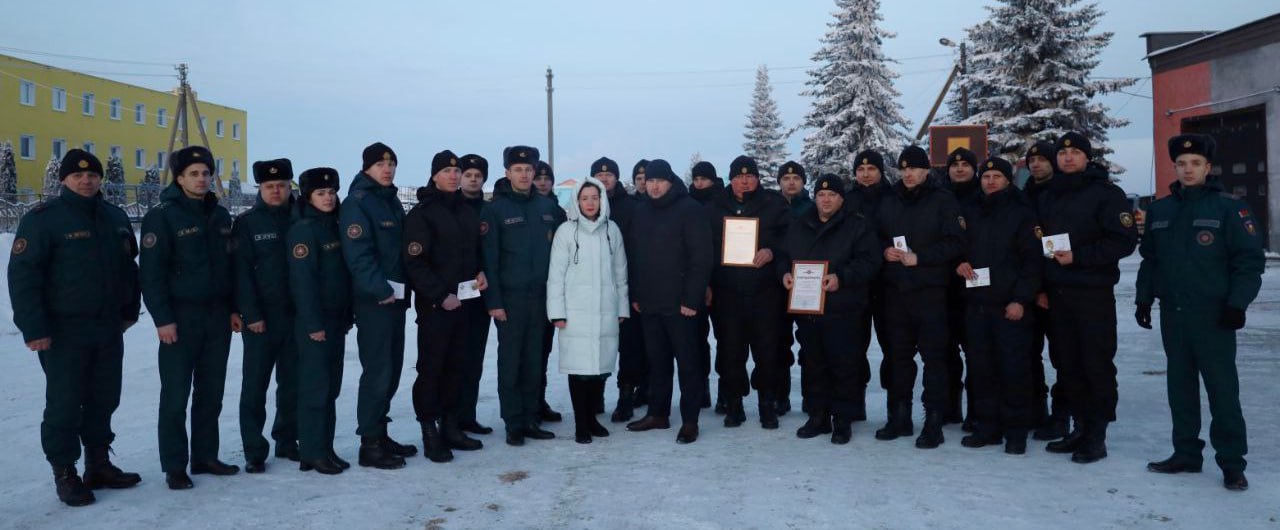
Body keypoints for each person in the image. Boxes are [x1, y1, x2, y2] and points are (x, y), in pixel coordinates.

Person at [8, 149, 142, 506]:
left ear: (100, 179)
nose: (86, 180)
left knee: (104, 397)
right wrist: (33, 327)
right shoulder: (43, 219)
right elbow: (23, 276)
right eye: (78, 175)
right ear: (64, 179)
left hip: (107, 326)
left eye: (92, 175)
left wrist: (129, 310)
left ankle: (98, 463)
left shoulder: (114, 216)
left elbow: (130, 268)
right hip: (63, 329)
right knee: (65, 402)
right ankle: (65, 471)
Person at [1136, 134, 1264, 491]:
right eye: (1181, 163)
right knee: (1180, 387)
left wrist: (1237, 304)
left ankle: (1232, 463)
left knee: (1222, 390)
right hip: (1173, 315)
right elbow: (1151, 259)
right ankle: (1186, 453)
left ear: (1208, 168)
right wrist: (1143, 298)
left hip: (1214, 315)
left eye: (1195, 164)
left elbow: (1249, 261)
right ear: (1174, 167)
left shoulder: (1229, 208)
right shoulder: (1160, 209)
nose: (1188, 169)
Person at [139, 145, 238, 489]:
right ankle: (175, 465)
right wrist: (162, 319)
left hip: (216, 317)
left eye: (206, 173)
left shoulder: (220, 215)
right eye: (194, 174)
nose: (201, 179)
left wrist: (234, 309)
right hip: (180, 318)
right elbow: (150, 274)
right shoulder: (162, 216)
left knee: (211, 392)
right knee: (176, 394)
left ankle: (205, 456)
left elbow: (231, 268)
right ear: (179, 178)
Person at [1036, 132, 1138, 464]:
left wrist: (1078, 257)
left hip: (1092, 293)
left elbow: (1122, 241)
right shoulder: (1049, 195)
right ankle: (1078, 427)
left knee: (1095, 363)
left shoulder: (1106, 194)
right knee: (1067, 363)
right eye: (1063, 153)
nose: (1067, 158)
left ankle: (1097, 433)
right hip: (1057, 293)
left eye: (1075, 153)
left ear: (1086, 158)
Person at [874, 145, 965, 449]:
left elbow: (955, 242)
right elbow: (874, 237)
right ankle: (900, 417)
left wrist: (921, 258)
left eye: (914, 168)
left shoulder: (942, 201)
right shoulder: (889, 201)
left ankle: (933, 422)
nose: (908, 174)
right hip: (896, 292)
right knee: (898, 358)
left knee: (934, 359)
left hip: (930, 292)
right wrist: (883, 250)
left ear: (926, 170)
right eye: (904, 169)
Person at [780, 174, 882, 444]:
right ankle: (818, 416)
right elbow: (783, 256)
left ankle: (843, 419)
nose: (825, 200)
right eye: (821, 195)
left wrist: (842, 277)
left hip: (844, 308)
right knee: (813, 364)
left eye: (832, 195)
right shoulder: (800, 225)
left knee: (844, 365)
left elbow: (870, 261)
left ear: (841, 199)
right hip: (809, 309)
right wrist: (785, 275)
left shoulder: (857, 226)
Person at [403, 151, 489, 463]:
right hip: (436, 308)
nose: (454, 176)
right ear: (435, 176)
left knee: (458, 366)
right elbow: (415, 263)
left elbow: (473, 253)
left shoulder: (466, 211)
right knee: (432, 370)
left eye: (457, 171)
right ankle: (430, 432)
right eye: (447, 171)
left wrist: (480, 272)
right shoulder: (423, 214)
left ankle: (450, 426)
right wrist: (440, 295)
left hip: (465, 302)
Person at [954, 157, 1042, 455]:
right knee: (981, 370)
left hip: (1010, 307)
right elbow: (959, 249)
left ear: (1007, 180)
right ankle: (987, 427)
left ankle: (1015, 430)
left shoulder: (1021, 214)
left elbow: (1032, 263)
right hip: (977, 305)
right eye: (986, 176)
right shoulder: (970, 212)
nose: (990, 181)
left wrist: (1020, 299)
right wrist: (960, 263)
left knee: (1013, 369)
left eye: (997, 176)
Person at [625, 159, 714, 444]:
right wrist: (636, 294)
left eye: (659, 180)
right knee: (657, 362)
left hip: (682, 305)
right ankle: (658, 413)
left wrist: (692, 298)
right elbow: (635, 257)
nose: (654, 185)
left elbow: (701, 258)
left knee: (688, 364)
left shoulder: (690, 210)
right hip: (650, 303)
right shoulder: (640, 212)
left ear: (670, 181)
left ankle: (690, 420)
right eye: (649, 180)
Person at [340, 142, 416, 470]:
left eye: (392, 164)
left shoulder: (389, 201)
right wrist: (380, 289)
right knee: (378, 371)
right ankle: (369, 444)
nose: (387, 169)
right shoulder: (359, 204)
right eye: (380, 165)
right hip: (376, 301)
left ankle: (380, 433)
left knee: (392, 369)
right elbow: (358, 254)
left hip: (395, 300)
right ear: (366, 168)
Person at [481, 146, 563, 446]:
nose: (525, 174)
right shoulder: (494, 210)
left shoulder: (548, 208)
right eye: (518, 169)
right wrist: (495, 302)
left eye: (529, 169)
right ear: (507, 173)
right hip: (511, 300)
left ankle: (530, 418)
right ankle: (513, 422)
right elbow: (489, 260)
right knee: (511, 362)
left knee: (534, 361)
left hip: (542, 298)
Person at [708, 155, 790, 429]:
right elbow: (704, 247)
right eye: (738, 176)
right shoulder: (715, 206)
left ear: (757, 178)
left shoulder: (774, 204)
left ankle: (767, 403)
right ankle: (734, 404)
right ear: (730, 179)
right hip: (727, 291)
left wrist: (772, 251)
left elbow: (790, 240)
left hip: (765, 291)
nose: (744, 181)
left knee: (767, 350)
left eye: (749, 176)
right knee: (731, 350)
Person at [547, 177, 630, 444]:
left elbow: (621, 272)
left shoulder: (612, 230)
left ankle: (593, 419)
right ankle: (581, 424)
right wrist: (557, 312)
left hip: (605, 309)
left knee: (600, 369)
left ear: (602, 200)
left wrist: (622, 307)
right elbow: (556, 276)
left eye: (595, 197)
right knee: (579, 370)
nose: (590, 203)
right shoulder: (566, 232)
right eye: (585, 198)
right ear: (577, 201)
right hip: (576, 313)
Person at [233, 158, 299, 473]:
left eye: (282, 185)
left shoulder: (301, 217)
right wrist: (251, 313)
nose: (276, 191)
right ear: (260, 188)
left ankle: (287, 440)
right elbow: (241, 273)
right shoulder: (247, 223)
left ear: (290, 186)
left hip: (296, 316)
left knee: (292, 383)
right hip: (261, 318)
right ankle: (254, 449)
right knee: (255, 385)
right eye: (270, 186)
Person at [288, 167, 353, 475]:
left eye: (331, 192)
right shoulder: (304, 229)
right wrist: (313, 324)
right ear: (307, 197)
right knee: (315, 388)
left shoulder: (333, 225)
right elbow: (303, 282)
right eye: (321, 193)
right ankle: (312, 451)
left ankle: (324, 447)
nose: (328, 198)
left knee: (330, 388)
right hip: (315, 323)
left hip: (335, 320)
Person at [592, 157, 649, 422]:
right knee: (598, 344)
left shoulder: (632, 207)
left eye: (609, 175)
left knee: (629, 346)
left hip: (624, 286)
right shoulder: (584, 205)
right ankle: (595, 394)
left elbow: (638, 250)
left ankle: (626, 395)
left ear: (616, 178)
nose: (604, 179)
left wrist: (636, 290)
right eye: (599, 175)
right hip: (593, 288)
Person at [1022, 141, 1069, 441]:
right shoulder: (1024, 196)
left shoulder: (1062, 194)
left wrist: (1048, 287)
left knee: (1062, 356)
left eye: (1042, 159)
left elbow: (1056, 246)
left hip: (1056, 288)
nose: (1036, 164)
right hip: (1028, 288)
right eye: (1032, 160)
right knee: (1028, 354)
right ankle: (1034, 409)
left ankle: (1062, 414)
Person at [846, 150, 893, 423]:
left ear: (880, 171)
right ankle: (855, 402)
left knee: (893, 348)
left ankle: (894, 405)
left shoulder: (894, 197)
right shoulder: (848, 201)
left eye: (871, 169)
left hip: (890, 284)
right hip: (856, 285)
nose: (865, 174)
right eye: (861, 170)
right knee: (853, 346)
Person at [455, 154, 495, 435]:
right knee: (454, 358)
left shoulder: (489, 210)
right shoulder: (451, 206)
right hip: (453, 294)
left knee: (474, 359)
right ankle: (451, 418)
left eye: (477, 175)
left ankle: (467, 415)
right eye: (467, 174)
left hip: (480, 292)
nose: (472, 179)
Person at [945, 147, 980, 428]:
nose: (959, 169)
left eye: (965, 165)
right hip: (944, 284)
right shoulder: (941, 198)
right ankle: (950, 406)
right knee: (945, 350)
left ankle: (977, 410)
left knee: (976, 349)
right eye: (954, 165)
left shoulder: (983, 198)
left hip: (977, 284)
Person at [532, 160, 568, 423]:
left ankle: (538, 399)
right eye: (539, 177)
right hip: (523, 291)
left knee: (542, 351)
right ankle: (524, 405)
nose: (543, 182)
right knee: (524, 354)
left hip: (550, 290)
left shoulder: (557, 211)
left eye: (547, 178)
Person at [775, 160, 809, 416]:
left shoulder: (813, 207)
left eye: (796, 178)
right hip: (779, 284)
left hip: (809, 285)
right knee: (778, 343)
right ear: (779, 183)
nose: (791, 182)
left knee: (810, 344)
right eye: (786, 178)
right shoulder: (771, 207)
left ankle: (812, 397)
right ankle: (780, 395)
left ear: (803, 182)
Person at [688, 161, 722, 412]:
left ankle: (726, 391)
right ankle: (701, 389)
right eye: (696, 179)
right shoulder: (687, 204)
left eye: (704, 179)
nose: (700, 183)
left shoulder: (722, 202)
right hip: (694, 282)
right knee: (696, 340)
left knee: (727, 339)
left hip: (722, 280)